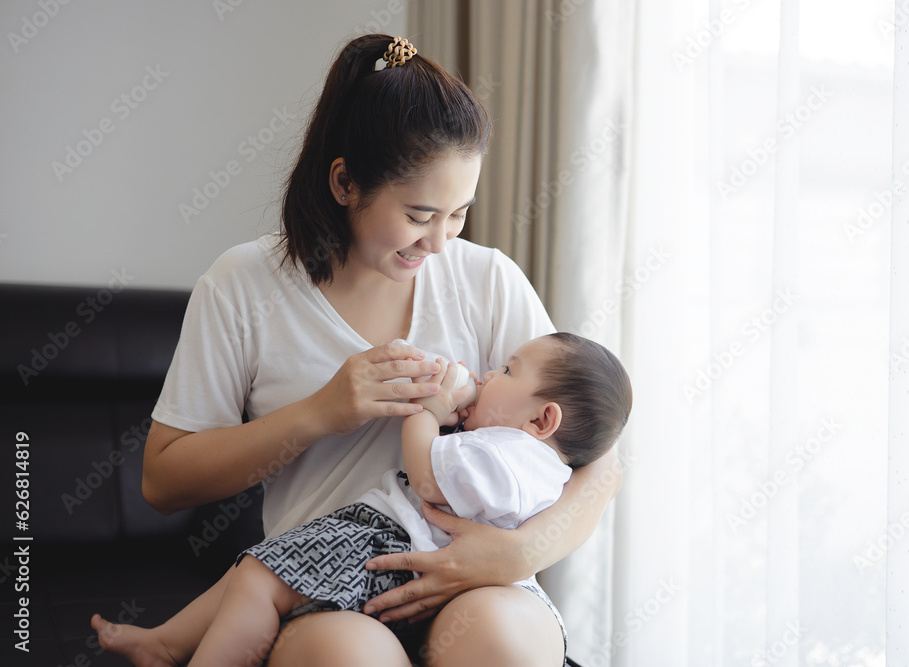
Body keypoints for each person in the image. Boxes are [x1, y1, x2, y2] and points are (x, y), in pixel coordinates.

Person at [132, 33, 624, 667]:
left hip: (477, 582)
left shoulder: (488, 279)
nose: (441, 243)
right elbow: (162, 480)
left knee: (497, 639)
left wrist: (518, 554)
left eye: (459, 214)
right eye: (420, 215)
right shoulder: (242, 286)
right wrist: (319, 413)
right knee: (348, 657)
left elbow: (600, 462)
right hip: (323, 589)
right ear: (345, 183)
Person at [91, 332, 633, 667]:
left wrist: (430, 410)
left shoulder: (508, 455)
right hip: (407, 561)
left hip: (387, 546)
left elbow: (425, 480)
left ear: (543, 420)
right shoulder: (537, 463)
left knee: (260, 576)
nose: (491, 373)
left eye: (508, 371)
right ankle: (166, 644)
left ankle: (177, 651)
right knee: (261, 572)